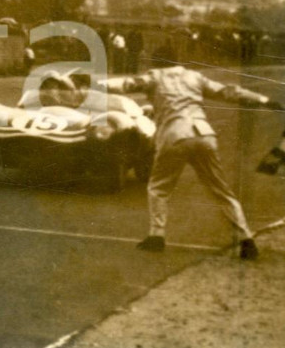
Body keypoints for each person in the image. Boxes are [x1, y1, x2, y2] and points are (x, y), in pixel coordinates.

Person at [102, 47, 283, 259]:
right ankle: (246, 239)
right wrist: (263, 100)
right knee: (220, 190)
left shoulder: (155, 76)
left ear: (155, 62)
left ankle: (156, 236)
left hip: (174, 136)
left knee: (158, 188)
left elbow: (126, 84)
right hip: (204, 134)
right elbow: (228, 92)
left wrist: (97, 83)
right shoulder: (194, 77)